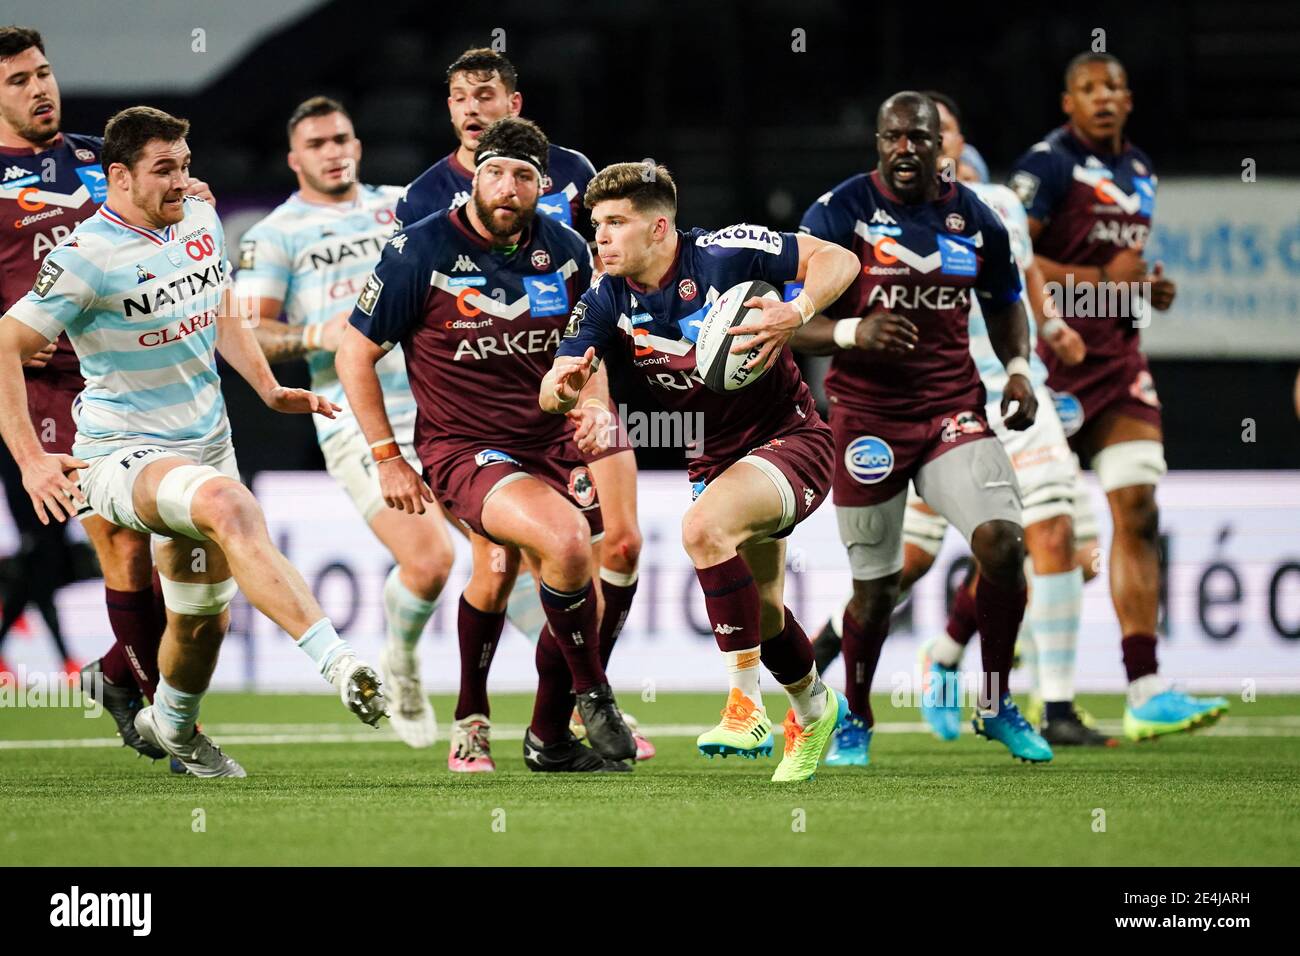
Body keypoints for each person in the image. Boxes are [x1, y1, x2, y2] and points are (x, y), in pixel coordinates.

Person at [0, 106, 386, 777]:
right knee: (231, 509)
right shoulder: (86, 258)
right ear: (117, 177)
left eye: (184, 164)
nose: (183, 181)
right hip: (123, 453)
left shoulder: (199, 218)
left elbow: (222, 305)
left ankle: (174, 728)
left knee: (202, 619)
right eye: (164, 170)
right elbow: (6, 342)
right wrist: (31, 458)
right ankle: (342, 663)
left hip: (208, 439)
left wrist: (267, 388)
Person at [542, 160, 862, 782]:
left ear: (659, 228)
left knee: (701, 529)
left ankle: (745, 708)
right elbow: (550, 391)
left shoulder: (724, 252)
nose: (599, 237)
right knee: (765, 615)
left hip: (792, 437)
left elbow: (839, 259)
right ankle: (817, 707)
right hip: (713, 455)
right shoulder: (605, 298)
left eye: (614, 223)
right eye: (595, 224)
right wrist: (566, 388)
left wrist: (797, 310)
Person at [339, 117, 636, 773]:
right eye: (496, 172)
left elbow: (589, 352)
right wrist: (388, 458)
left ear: (543, 186)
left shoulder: (564, 250)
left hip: (552, 442)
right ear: (475, 174)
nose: (508, 187)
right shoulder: (419, 250)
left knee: (515, 570)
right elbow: (354, 353)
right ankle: (591, 697)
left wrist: (592, 407)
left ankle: (512, 729)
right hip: (464, 447)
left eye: (524, 176)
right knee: (560, 545)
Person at [396, 46, 649, 761]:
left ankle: (573, 706)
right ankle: (479, 717)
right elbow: (406, 322)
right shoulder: (422, 203)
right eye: (458, 98)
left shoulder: (573, 177)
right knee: (508, 564)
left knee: (621, 546)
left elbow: (604, 268)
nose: (472, 109)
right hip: (472, 414)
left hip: (574, 391)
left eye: (485, 95)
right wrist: (395, 444)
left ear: (516, 103)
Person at [792, 91, 1052, 765]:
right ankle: (855, 715)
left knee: (1001, 543)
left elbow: (1005, 301)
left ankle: (994, 701)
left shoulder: (975, 217)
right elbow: (790, 317)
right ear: (878, 143)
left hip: (952, 411)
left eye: (919, 139)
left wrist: (1019, 367)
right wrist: (853, 329)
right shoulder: (838, 212)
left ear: (944, 148)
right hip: (868, 420)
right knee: (875, 590)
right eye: (892, 138)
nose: (905, 149)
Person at [0, 26, 215, 759]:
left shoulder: (102, 160)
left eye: (43, 73)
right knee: (121, 545)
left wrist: (188, 194)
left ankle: (121, 676)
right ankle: (155, 701)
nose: (40, 89)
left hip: (121, 372)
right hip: (42, 390)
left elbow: (170, 203)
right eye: (19, 81)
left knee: (160, 546)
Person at [1009, 53, 1227, 739]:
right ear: (1067, 101)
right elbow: (1013, 260)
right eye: (1088, 89)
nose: (1103, 98)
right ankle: (963, 652)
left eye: (1114, 88)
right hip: (1050, 366)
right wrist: (1103, 276)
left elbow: (1122, 275)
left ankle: (1144, 686)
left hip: (1120, 363)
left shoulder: (1141, 171)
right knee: (1041, 534)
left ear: (1130, 100)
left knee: (1137, 506)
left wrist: (1143, 290)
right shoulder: (1044, 168)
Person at [236, 96, 453, 753]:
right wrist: (315, 333)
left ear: (357, 144)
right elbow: (249, 331)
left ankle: (582, 699)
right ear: (294, 158)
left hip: (445, 403)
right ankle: (403, 660)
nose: (333, 151)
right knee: (434, 559)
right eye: (318, 143)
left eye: (342, 138)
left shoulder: (404, 205)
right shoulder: (274, 234)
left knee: (517, 555)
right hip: (354, 418)